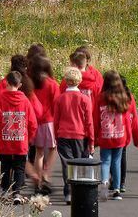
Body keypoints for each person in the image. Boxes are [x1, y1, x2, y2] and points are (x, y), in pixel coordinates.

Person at [0, 69, 37, 204]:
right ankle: (17, 193)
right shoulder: (25, 101)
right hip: (21, 141)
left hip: (4, 141)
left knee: (5, 167)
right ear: (20, 85)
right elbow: (33, 123)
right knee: (19, 168)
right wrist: (29, 138)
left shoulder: (1, 100)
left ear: (6, 83)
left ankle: (4, 191)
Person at [96, 72, 138, 201]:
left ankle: (104, 182)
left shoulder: (100, 98)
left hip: (105, 135)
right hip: (120, 135)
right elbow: (131, 120)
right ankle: (117, 189)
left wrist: (94, 137)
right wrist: (133, 138)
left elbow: (95, 117)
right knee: (117, 162)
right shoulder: (126, 97)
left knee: (105, 161)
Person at [52, 66, 96, 199]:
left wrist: (56, 136)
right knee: (79, 163)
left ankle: (68, 191)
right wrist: (92, 141)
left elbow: (56, 120)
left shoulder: (60, 99)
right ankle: (78, 190)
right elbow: (89, 122)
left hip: (63, 134)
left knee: (67, 164)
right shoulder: (84, 99)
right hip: (80, 135)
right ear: (79, 81)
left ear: (66, 80)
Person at [28, 53, 60, 193]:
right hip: (49, 121)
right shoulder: (52, 84)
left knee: (38, 153)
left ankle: (38, 179)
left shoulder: (31, 83)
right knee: (53, 149)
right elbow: (57, 104)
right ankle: (46, 174)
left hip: (36, 121)